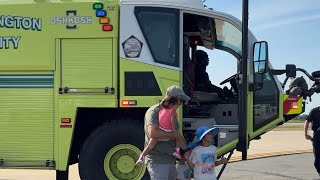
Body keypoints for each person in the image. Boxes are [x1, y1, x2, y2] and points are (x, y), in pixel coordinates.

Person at [143, 85, 190, 180]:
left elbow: (178, 135)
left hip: (171, 160)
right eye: (180, 100)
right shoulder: (154, 111)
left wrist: (187, 150)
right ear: (171, 98)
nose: (181, 104)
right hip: (158, 160)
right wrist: (173, 135)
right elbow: (153, 133)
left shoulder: (172, 113)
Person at [136, 96, 184, 165]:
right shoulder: (173, 112)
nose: (177, 107)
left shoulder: (161, 110)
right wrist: (174, 131)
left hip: (160, 131)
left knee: (150, 146)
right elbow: (172, 121)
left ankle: (142, 156)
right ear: (171, 105)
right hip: (168, 131)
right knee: (178, 137)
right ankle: (176, 151)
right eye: (176, 105)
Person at [304, 106, 320, 177]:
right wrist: (306, 133)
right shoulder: (314, 111)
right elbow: (307, 121)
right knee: (317, 158)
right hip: (317, 136)